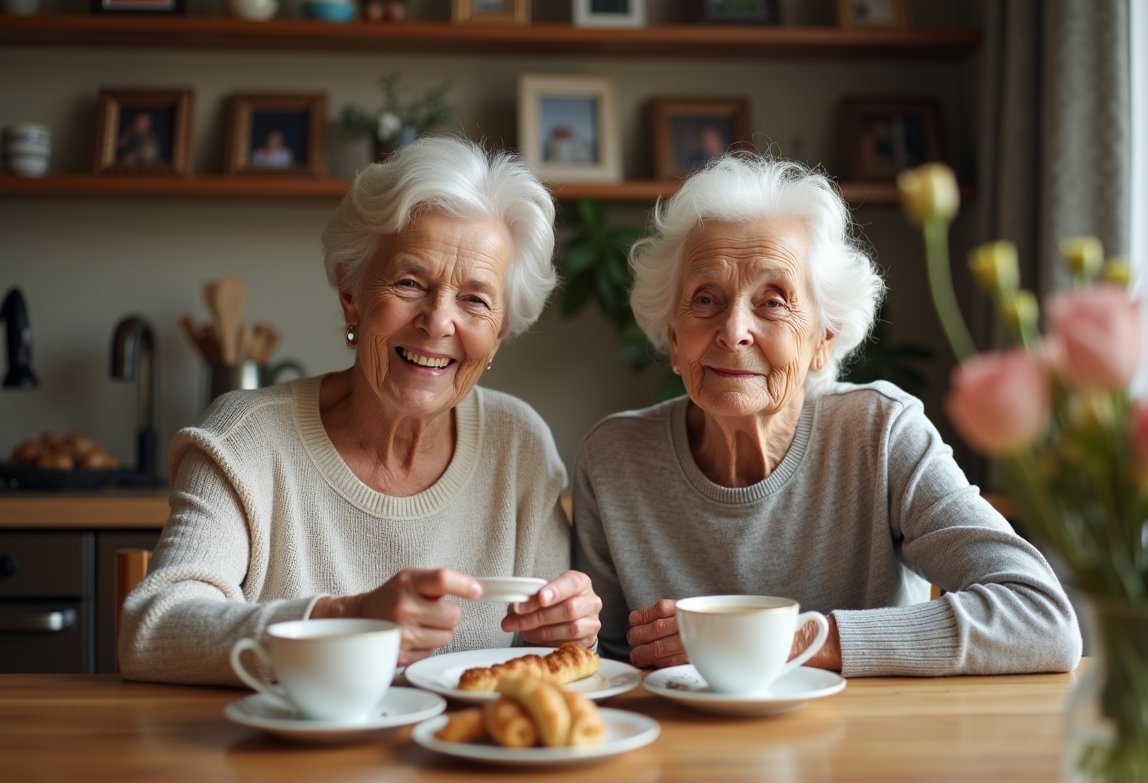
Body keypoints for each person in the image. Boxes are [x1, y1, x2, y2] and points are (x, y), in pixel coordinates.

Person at [570, 153, 1082, 677]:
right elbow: (599, 664)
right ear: (675, 339)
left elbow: (1041, 618)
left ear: (823, 341)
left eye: (773, 302)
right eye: (705, 299)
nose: (733, 330)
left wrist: (785, 641)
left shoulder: (881, 434)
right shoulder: (614, 459)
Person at [121, 136, 601, 685]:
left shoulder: (518, 444)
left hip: (465, 741)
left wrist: (569, 630)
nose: (437, 322)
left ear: (501, 330)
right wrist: (344, 621)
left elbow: (549, 658)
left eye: (475, 299)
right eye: (410, 283)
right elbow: (151, 631)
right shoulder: (246, 439)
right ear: (351, 293)